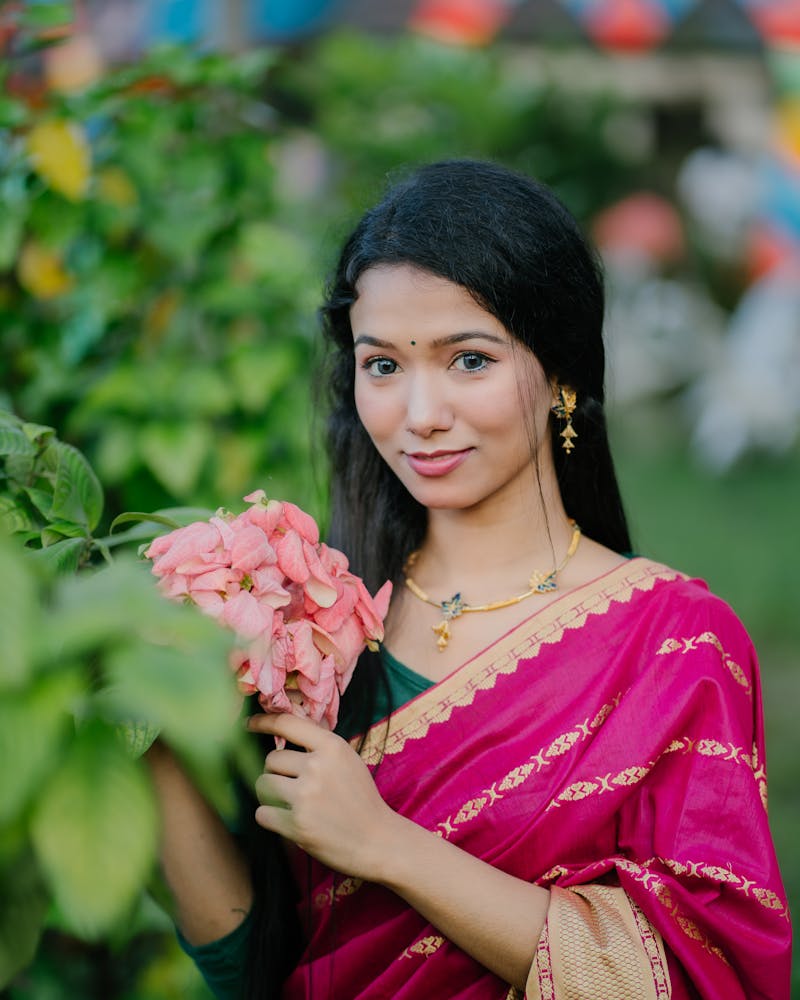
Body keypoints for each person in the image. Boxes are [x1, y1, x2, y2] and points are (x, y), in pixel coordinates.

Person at [145, 159, 791, 999]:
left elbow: (703, 976)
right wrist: (145, 726)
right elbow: (251, 964)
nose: (421, 416)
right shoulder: (306, 619)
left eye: (470, 360)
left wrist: (388, 846)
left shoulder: (673, 644)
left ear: (562, 374)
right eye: (383, 365)